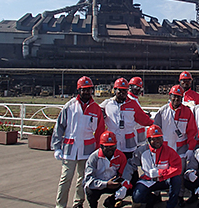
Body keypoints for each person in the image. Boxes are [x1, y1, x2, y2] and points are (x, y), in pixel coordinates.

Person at [51, 76, 105, 208]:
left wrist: (98, 151)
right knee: (65, 179)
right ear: (78, 90)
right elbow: (59, 127)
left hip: (87, 150)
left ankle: (78, 203)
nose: (86, 92)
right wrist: (56, 147)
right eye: (84, 89)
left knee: (83, 179)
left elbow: (99, 132)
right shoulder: (69, 106)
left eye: (89, 90)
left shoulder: (96, 109)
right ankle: (60, 205)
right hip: (70, 149)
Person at [117, 125, 182, 208]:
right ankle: (153, 199)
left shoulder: (169, 151)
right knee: (137, 197)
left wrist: (160, 173)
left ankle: (171, 205)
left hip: (164, 179)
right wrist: (125, 184)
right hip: (147, 180)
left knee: (176, 180)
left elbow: (177, 168)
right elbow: (131, 165)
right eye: (153, 139)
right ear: (148, 140)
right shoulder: (141, 151)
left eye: (159, 138)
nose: (157, 141)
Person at [153, 84, 198, 206]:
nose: (176, 100)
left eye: (179, 97)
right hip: (165, 150)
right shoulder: (162, 111)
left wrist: (190, 149)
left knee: (179, 175)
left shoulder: (187, 112)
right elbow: (155, 130)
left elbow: (192, 132)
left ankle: (179, 196)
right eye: (174, 97)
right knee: (160, 173)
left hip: (180, 150)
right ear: (170, 96)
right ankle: (156, 195)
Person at [101, 77, 153, 159]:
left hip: (129, 143)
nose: (122, 93)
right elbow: (96, 112)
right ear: (115, 90)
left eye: (124, 90)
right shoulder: (107, 104)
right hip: (113, 142)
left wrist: (155, 124)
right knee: (113, 166)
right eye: (120, 90)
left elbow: (144, 119)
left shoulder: (132, 104)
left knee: (130, 166)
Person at [84, 131, 127, 208]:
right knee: (89, 191)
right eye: (106, 146)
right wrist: (106, 184)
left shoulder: (121, 156)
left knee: (129, 188)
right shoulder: (93, 158)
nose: (109, 149)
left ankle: (111, 202)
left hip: (113, 184)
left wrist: (123, 186)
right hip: (98, 184)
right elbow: (88, 180)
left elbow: (124, 175)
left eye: (112, 146)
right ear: (101, 146)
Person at [128, 76, 149, 146]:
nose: (138, 90)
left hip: (139, 131)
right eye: (136, 88)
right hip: (134, 131)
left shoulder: (134, 99)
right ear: (130, 87)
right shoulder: (130, 99)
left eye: (140, 88)